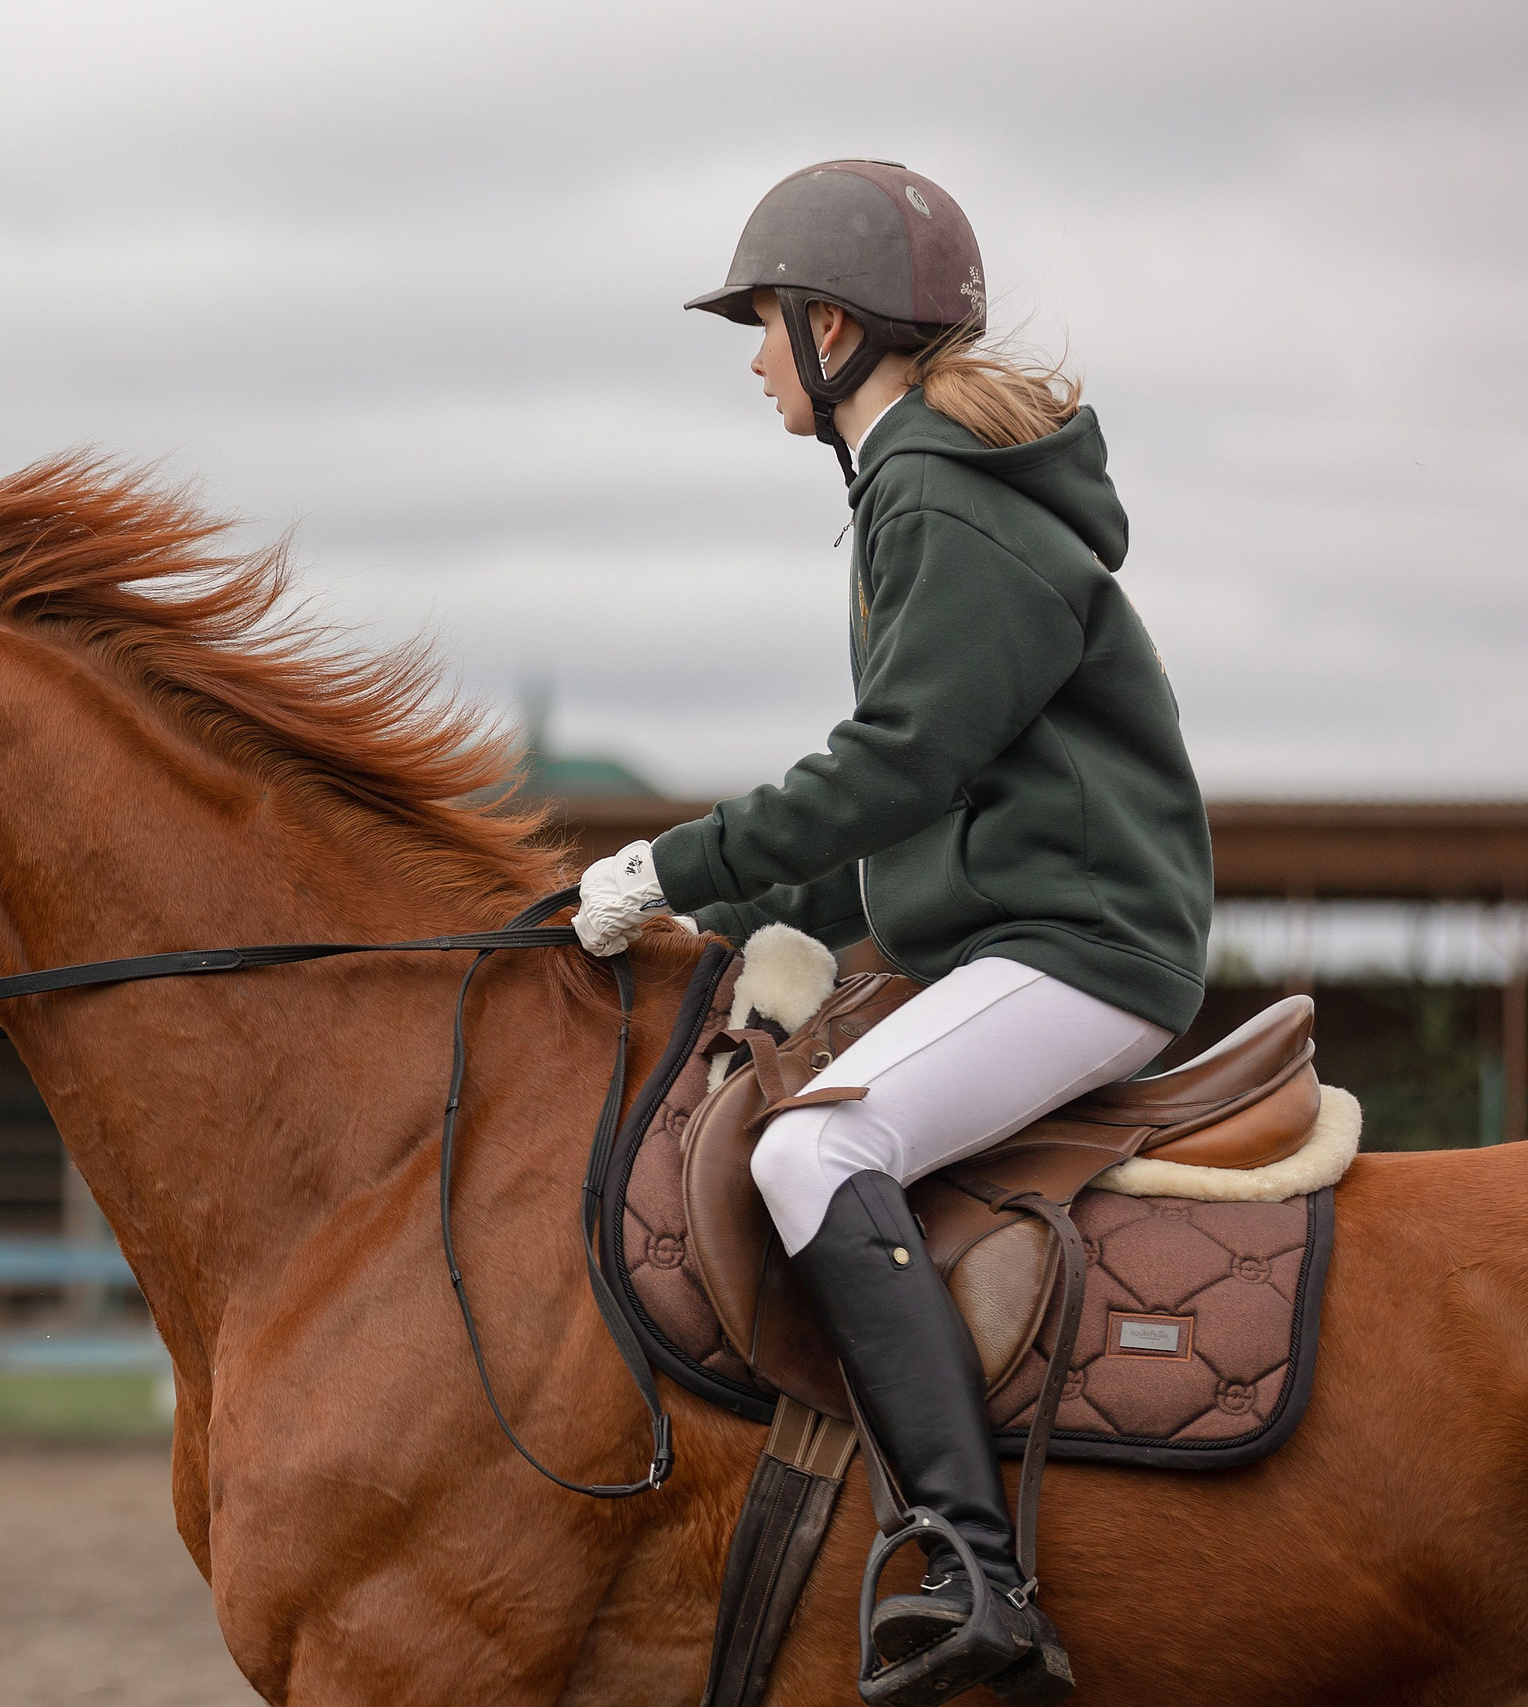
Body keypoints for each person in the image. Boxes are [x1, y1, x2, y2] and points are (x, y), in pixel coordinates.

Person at [573, 160, 1211, 1707]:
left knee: (813, 1154)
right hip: (1012, 936)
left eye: (762, 325)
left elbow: (894, 769)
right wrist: (704, 917)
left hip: (1079, 949)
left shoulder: (934, 488)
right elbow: (901, 826)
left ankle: (978, 1570)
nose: (752, 359)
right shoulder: (915, 489)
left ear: (835, 325)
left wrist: (665, 864)